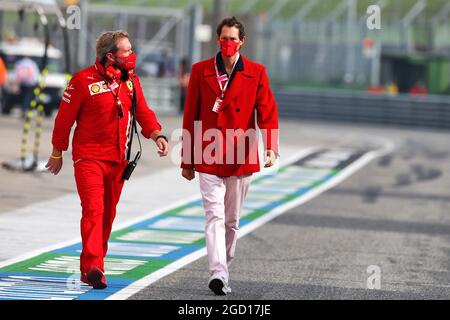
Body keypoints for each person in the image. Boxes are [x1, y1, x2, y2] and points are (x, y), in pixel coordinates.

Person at [46, 30, 169, 289]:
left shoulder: (131, 81)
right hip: (88, 158)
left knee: (107, 215)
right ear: (111, 55)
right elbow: (64, 120)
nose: (132, 55)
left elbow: (143, 112)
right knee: (93, 210)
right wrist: (58, 151)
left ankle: (92, 265)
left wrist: (156, 134)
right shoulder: (81, 80)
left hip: (118, 160)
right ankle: (94, 267)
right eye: (127, 51)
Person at [181, 17, 279, 296]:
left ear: (242, 42)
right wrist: (187, 160)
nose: (228, 44)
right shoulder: (200, 71)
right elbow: (191, 115)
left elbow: (267, 110)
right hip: (208, 155)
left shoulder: (256, 72)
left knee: (231, 221)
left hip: (241, 154)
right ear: (217, 40)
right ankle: (218, 272)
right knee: (214, 216)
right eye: (223, 38)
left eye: (233, 39)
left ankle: (224, 269)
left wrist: (271, 145)